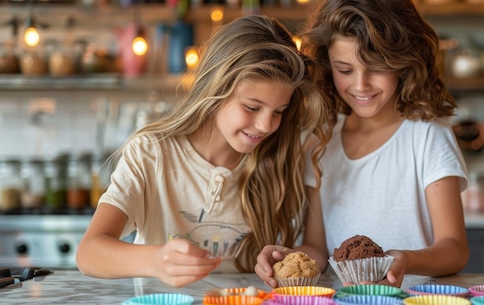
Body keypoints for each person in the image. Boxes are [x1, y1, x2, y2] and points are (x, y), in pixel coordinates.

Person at [76, 15, 330, 288]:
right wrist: (156, 260)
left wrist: (288, 257)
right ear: (215, 90)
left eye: (279, 111)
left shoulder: (287, 155)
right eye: (252, 107)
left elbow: (316, 249)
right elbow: (89, 253)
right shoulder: (151, 154)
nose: (266, 125)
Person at [255, 0, 469, 288]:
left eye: (377, 67)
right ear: (329, 66)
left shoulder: (428, 135)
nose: (360, 85)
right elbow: (317, 248)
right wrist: (289, 258)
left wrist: (403, 259)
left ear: (404, 60)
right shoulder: (320, 143)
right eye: (345, 69)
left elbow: (454, 250)